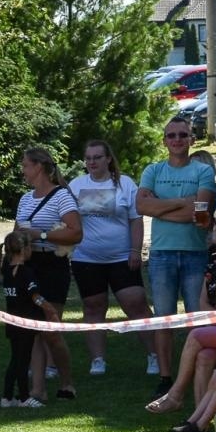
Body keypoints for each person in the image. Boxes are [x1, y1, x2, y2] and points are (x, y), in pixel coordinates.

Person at [149, 205, 216, 423]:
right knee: (205, 356)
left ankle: (176, 395)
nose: (214, 227)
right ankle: (201, 419)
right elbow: (203, 301)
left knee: (196, 336)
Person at [137, 116, 216, 397]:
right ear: (164, 141)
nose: (177, 140)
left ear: (192, 139)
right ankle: (165, 377)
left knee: (198, 318)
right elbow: (141, 206)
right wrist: (183, 202)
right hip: (162, 254)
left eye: (183, 135)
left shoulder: (203, 171)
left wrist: (160, 207)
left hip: (196, 254)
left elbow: (200, 211)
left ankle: (197, 373)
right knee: (164, 318)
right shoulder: (153, 170)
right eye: (172, 135)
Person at [69, 139, 156, 378]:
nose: (92, 162)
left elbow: (136, 220)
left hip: (122, 258)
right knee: (93, 307)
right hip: (86, 259)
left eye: (97, 157)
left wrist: (135, 251)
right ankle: (97, 360)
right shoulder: (76, 185)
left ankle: (154, 355)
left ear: (108, 159)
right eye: (88, 158)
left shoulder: (125, 184)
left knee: (136, 303)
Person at [14, 147, 81, 400]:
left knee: (50, 330)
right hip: (29, 265)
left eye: (25, 165)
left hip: (53, 265)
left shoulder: (61, 196)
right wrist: (18, 240)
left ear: (38, 167)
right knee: (33, 328)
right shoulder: (25, 199)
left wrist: (40, 235)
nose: (22, 170)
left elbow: (76, 232)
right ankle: (38, 390)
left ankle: (67, 382)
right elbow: (17, 232)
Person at [0, 228, 58, 408]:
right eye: (30, 247)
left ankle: (7, 397)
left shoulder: (6, 271)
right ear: (24, 249)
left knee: (15, 359)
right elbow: (35, 297)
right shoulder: (26, 272)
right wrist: (51, 310)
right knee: (23, 362)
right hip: (25, 324)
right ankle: (24, 397)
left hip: (12, 323)